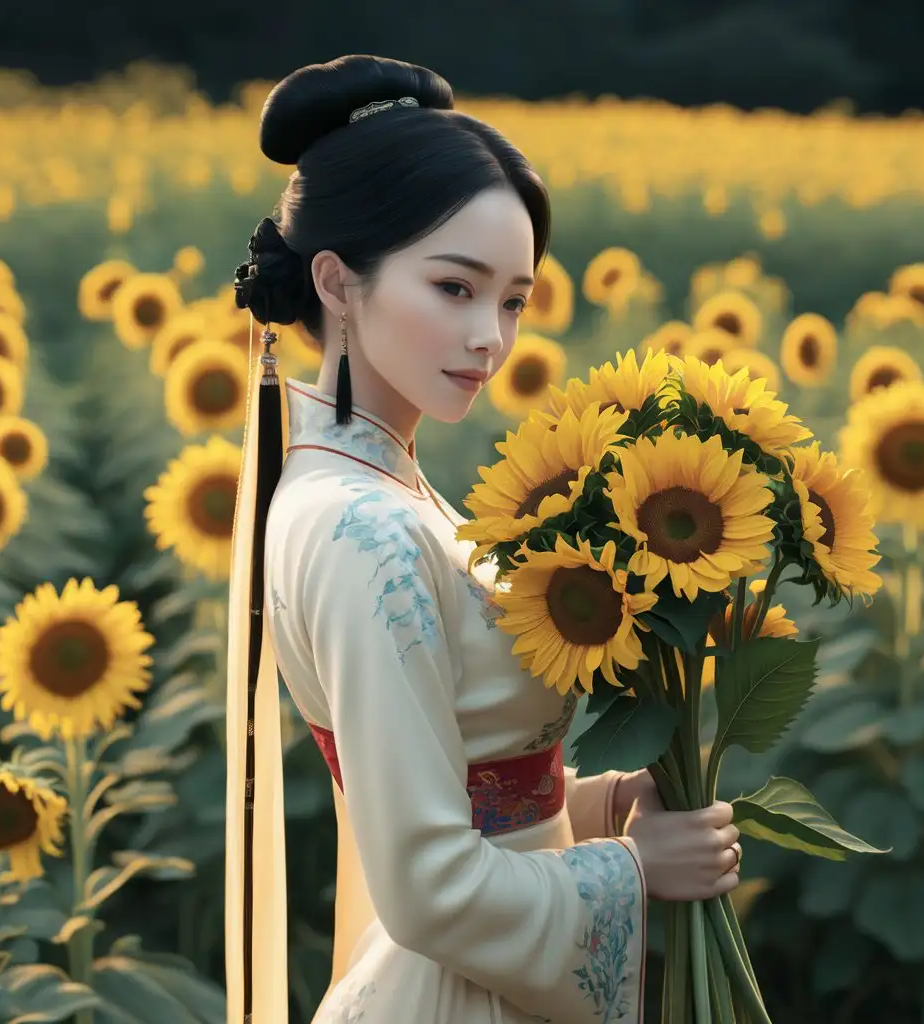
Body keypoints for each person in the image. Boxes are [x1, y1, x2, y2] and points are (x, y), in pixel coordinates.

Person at [223, 53, 743, 1024]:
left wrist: (603, 804)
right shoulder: (361, 527)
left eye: (512, 300)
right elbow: (426, 883)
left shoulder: (387, 485)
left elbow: (471, 787)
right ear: (337, 281)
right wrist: (631, 873)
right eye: (454, 289)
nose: (489, 340)